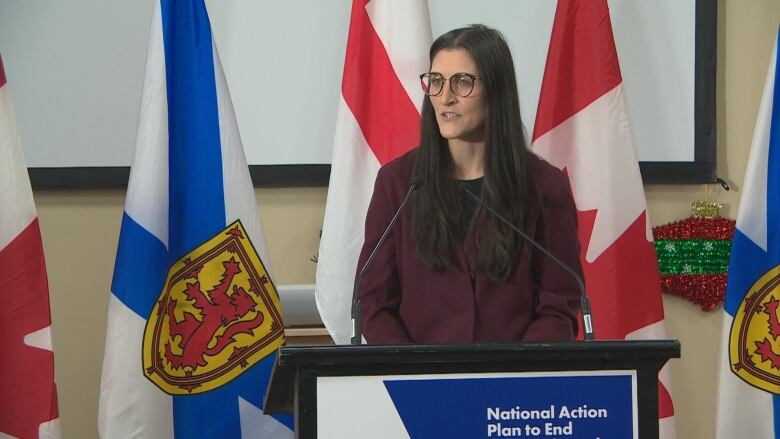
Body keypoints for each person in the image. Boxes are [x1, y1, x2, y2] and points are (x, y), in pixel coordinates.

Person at [356, 25, 582, 344]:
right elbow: (374, 301)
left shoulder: (545, 187)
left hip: (514, 387)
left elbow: (558, 305)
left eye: (462, 82)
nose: (446, 97)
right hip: (418, 386)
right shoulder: (398, 184)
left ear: (496, 90)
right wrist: (414, 375)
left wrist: (514, 378)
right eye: (436, 82)